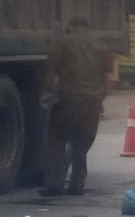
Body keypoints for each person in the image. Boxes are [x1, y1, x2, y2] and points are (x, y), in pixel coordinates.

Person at [41, 16, 111, 197]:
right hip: (92, 103)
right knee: (81, 144)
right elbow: (107, 79)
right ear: (87, 27)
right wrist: (100, 100)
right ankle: (77, 184)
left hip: (69, 100)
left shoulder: (64, 42)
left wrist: (47, 93)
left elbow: (51, 72)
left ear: (71, 26)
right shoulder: (100, 46)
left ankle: (54, 185)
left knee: (56, 140)